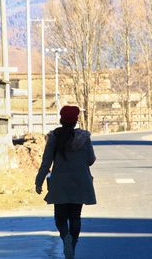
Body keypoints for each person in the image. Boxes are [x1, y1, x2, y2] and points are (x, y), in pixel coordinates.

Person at [35, 105, 96, 259]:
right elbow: (90, 160)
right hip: (80, 181)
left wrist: (39, 181)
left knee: (60, 216)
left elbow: (46, 161)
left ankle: (65, 237)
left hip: (60, 182)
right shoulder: (84, 137)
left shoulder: (54, 137)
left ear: (61, 120)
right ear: (76, 121)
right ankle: (72, 245)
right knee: (75, 216)